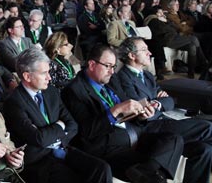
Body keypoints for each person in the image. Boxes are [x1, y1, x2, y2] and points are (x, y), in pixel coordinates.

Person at [112, 37, 212, 183]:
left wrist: (156, 103)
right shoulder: (123, 78)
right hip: (147, 128)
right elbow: (140, 108)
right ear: (132, 56)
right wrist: (157, 103)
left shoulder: (147, 75)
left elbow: (170, 100)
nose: (150, 53)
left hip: (161, 121)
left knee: (205, 150)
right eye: (144, 50)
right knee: (206, 127)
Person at [63, 44, 185, 182]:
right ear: (92, 64)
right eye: (108, 66)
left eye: (113, 67)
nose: (111, 72)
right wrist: (115, 111)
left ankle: (146, 169)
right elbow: (86, 131)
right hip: (110, 148)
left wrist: (141, 115)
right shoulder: (74, 90)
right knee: (155, 179)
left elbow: (128, 108)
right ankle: (149, 172)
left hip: (135, 135)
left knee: (174, 139)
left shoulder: (111, 81)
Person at [3, 48, 112, 183]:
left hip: (63, 149)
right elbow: (38, 138)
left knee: (102, 168)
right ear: (27, 76)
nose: (49, 77)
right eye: (44, 73)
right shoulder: (14, 102)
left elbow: (73, 125)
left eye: (48, 72)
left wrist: (52, 134)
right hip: (40, 161)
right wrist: (60, 125)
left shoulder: (51, 91)